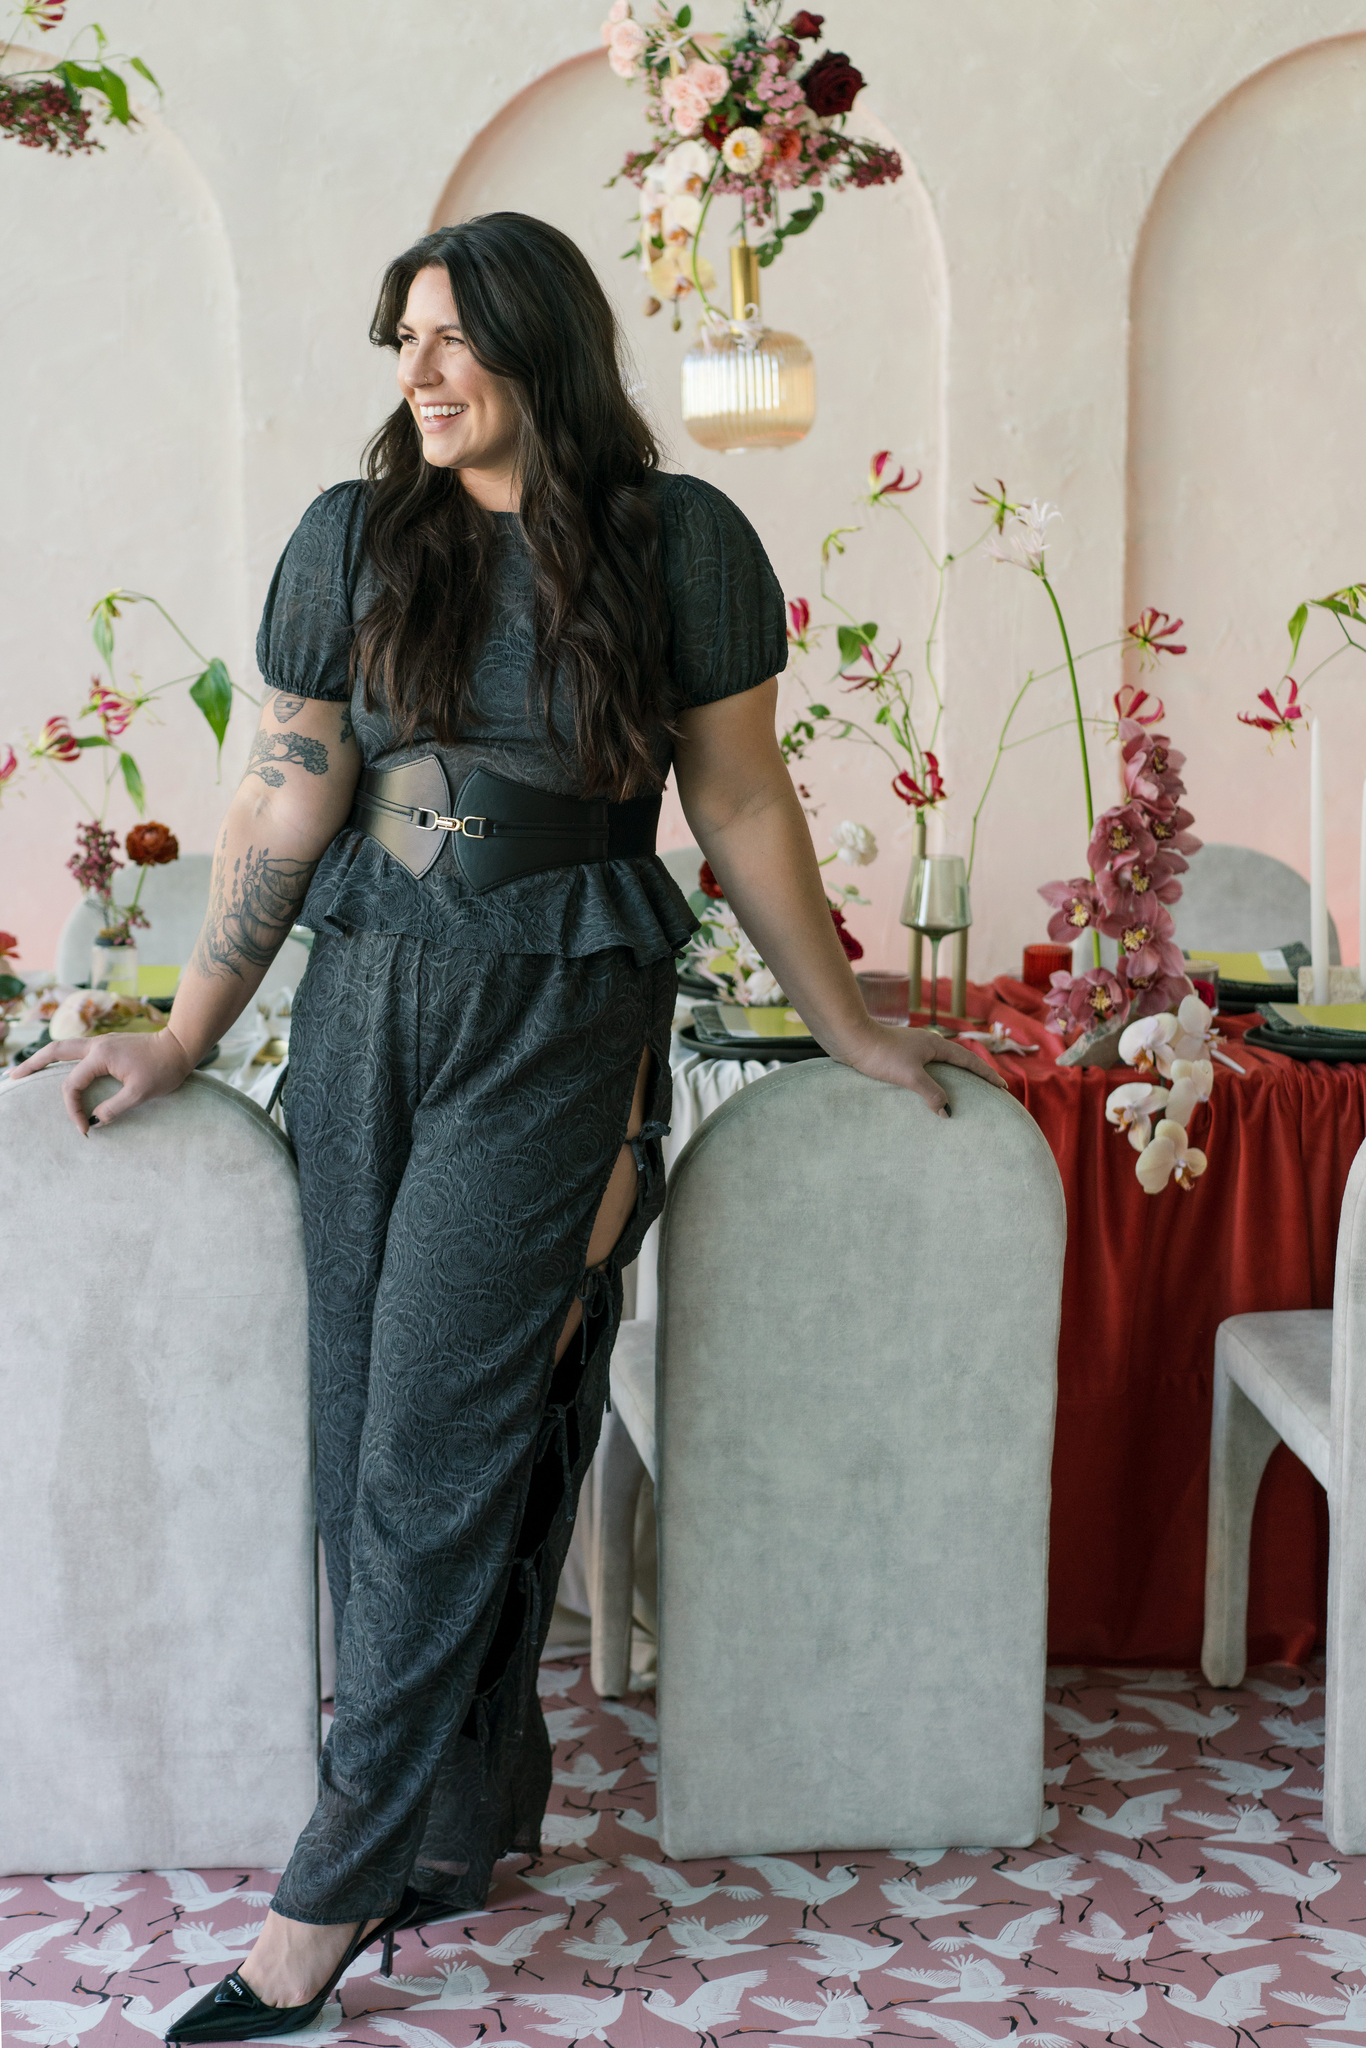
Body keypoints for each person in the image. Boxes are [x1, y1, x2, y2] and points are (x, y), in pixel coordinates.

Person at [16, 213, 1005, 2040]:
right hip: (364, 997)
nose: (417, 371)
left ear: (544, 344)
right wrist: (187, 1026)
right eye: (402, 337)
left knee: (435, 1448)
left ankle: (322, 1906)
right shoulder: (351, 533)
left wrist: (845, 1019)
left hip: (561, 1000)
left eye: (452, 336)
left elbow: (741, 800)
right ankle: (463, 1813)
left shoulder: (680, 542)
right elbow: (288, 784)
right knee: (366, 1443)